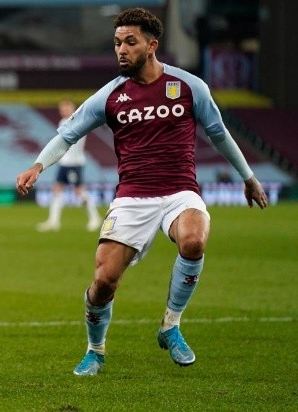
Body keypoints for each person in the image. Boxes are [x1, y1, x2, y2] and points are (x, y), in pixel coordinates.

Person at [16, 7, 267, 376]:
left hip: (180, 190)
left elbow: (219, 133)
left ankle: (171, 325)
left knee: (194, 240)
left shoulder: (189, 87)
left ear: (152, 45)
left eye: (129, 43)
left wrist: (247, 176)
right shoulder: (109, 96)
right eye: (117, 43)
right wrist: (38, 165)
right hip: (132, 197)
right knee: (103, 282)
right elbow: (67, 135)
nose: (121, 50)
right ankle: (95, 351)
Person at [36, 100, 101, 233]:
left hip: (74, 163)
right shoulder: (62, 122)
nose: (63, 111)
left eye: (66, 108)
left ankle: (95, 218)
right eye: (62, 108)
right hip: (64, 162)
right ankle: (53, 221)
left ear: (73, 109)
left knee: (79, 191)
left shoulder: (79, 121)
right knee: (57, 189)